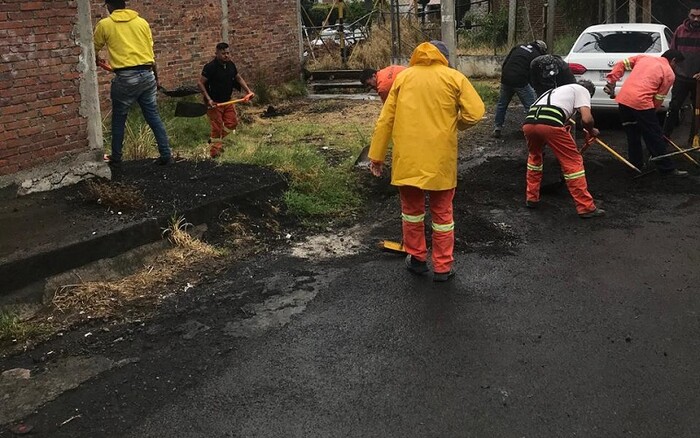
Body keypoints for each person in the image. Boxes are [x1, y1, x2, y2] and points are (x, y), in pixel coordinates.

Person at [367, 41, 485, 282]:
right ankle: (442, 268)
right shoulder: (454, 77)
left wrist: (376, 156)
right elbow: (475, 112)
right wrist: (455, 124)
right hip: (440, 161)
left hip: (407, 160)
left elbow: (385, 120)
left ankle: (418, 259)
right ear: (444, 57)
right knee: (442, 216)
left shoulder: (403, 78)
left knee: (411, 213)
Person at [94, 0, 172, 166]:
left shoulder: (105, 24)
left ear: (108, 6)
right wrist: (156, 79)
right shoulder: (142, 22)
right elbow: (150, 54)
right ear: (124, 5)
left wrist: (96, 59)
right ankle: (166, 154)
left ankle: (116, 157)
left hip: (125, 78)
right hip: (147, 75)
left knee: (119, 118)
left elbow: (91, 48)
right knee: (153, 116)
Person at [522, 80, 604, 218]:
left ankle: (531, 198)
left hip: (529, 123)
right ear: (589, 93)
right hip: (550, 124)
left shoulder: (556, 91)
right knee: (573, 163)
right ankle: (586, 207)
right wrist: (591, 130)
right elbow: (587, 119)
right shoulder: (582, 90)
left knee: (535, 158)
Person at [605, 50, 687, 176]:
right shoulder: (669, 73)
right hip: (641, 103)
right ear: (673, 60)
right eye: (677, 65)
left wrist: (612, 80)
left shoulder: (643, 58)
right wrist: (651, 114)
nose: (676, 68)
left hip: (623, 100)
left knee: (633, 134)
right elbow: (659, 98)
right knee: (654, 136)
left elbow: (621, 64)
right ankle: (667, 169)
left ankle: (635, 166)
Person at [198, 42, 254, 158]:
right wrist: (209, 100)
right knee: (217, 127)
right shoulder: (210, 67)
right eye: (223, 53)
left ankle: (214, 141)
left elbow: (238, 78)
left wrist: (248, 91)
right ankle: (215, 153)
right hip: (214, 103)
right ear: (217, 54)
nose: (226, 55)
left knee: (232, 123)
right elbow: (200, 83)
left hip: (228, 101)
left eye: (228, 53)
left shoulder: (231, 65)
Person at [493, 40, 548, 138]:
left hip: (506, 77)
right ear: (542, 49)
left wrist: (505, 76)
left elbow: (506, 62)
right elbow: (534, 73)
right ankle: (534, 131)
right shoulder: (536, 55)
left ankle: (497, 128)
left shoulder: (518, 47)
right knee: (531, 106)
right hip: (520, 80)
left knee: (502, 104)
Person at [664, 3, 700, 139]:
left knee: (698, 112)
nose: (696, 19)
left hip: (698, 79)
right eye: (693, 16)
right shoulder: (680, 30)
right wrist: (674, 71)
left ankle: (694, 140)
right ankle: (664, 138)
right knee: (673, 107)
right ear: (688, 15)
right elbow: (673, 53)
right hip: (681, 77)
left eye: (699, 17)